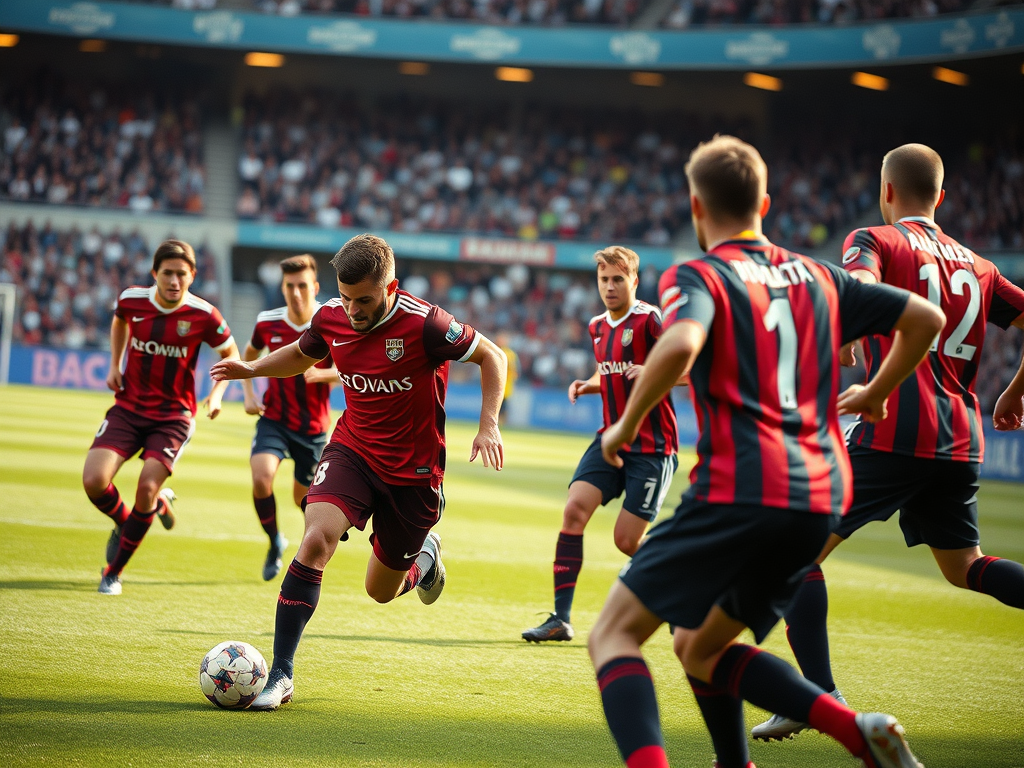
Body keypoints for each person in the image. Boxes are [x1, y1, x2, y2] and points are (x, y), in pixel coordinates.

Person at [587, 135, 944, 768]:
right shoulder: (820, 275)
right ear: (767, 202)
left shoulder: (698, 273)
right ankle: (857, 731)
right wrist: (876, 393)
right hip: (820, 494)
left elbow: (678, 345)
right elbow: (925, 319)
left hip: (741, 484)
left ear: (697, 208)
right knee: (700, 647)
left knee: (613, 635)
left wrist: (623, 426)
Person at [752, 143, 1024, 743]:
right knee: (965, 567)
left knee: (791, 549)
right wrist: (1012, 393)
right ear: (942, 198)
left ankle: (816, 698)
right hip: (960, 439)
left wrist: (849, 332)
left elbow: (858, 285)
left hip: (896, 426)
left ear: (887, 192)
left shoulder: (875, 238)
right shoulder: (979, 265)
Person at [210, 233, 506, 710]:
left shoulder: (426, 323)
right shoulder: (330, 315)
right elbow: (304, 352)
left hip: (413, 475)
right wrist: (252, 369)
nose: (352, 310)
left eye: (364, 299)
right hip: (353, 450)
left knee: (379, 591)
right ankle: (281, 674)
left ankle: (422, 560)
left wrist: (488, 424)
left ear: (391, 288)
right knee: (314, 540)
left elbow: (494, 356)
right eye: (346, 298)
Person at [522, 246, 679, 643]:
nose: (610, 287)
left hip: (652, 446)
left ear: (635, 281)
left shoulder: (651, 320)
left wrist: (657, 371)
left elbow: (693, 366)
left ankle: (681, 595)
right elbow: (613, 373)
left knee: (626, 541)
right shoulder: (597, 326)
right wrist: (589, 384)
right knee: (574, 510)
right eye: (604, 279)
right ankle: (560, 618)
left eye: (618, 279)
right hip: (610, 438)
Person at [82, 239, 238, 596]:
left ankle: (113, 571)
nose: (174, 281)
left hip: (173, 417)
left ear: (192, 276)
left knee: (146, 488)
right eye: (167, 273)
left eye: (181, 274)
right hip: (128, 407)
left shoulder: (205, 315)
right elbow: (119, 322)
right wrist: (114, 364)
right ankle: (134, 520)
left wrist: (216, 394)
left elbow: (230, 352)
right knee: (93, 480)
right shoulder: (132, 300)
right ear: (155, 273)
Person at [240, 254, 339, 581]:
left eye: (302, 286)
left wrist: (324, 376)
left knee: (302, 498)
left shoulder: (333, 320)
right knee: (261, 477)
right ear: (283, 288)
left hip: (312, 429)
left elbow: (353, 367)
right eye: (289, 287)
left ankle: (311, 549)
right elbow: (249, 355)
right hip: (275, 419)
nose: (296, 293)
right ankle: (274, 543)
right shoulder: (268, 321)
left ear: (315, 287)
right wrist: (250, 395)